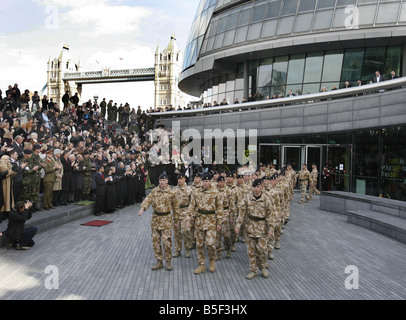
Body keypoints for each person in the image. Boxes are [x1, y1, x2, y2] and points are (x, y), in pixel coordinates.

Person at [235, 179, 276, 280]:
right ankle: (253, 270)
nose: (256, 189)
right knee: (251, 251)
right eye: (254, 187)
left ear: (261, 187)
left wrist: (271, 228)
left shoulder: (267, 198)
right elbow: (242, 212)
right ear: (252, 187)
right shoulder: (247, 197)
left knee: (262, 249)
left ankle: (262, 266)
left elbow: (271, 214)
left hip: (262, 228)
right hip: (250, 227)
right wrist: (238, 225)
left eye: (258, 187)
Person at [138, 172, 180, 271]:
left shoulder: (172, 192)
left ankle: (168, 261)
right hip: (156, 220)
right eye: (160, 180)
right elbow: (147, 200)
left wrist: (176, 220)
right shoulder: (154, 191)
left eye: (164, 180)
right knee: (156, 242)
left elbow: (176, 207)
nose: (162, 182)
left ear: (167, 181)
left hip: (166, 220)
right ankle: (159, 261)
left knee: (166, 242)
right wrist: (142, 209)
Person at [186, 173, 223, 274]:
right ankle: (201, 264)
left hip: (211, 221)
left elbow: (220, 208)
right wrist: (189, 217)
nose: (205, 183)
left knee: (210, 243)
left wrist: (219, 222)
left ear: (210, 182)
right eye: (204, 181)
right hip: (199, 221)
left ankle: (211, 260)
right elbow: (191, 206)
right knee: (199, 244)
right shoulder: (196, 192)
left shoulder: (215, 193)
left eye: (207, 181)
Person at [172, 172, 193, 258]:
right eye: (179, 179)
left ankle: (187, 248)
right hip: (176, 214)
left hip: (186, 213)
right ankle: (178, 250)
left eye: (182, 179)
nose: (180, 181)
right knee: (177, 233)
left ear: (184, 179)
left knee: (185, 231)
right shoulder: (173, 190)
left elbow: (192, 202)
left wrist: (191, 214)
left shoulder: (189, 189)